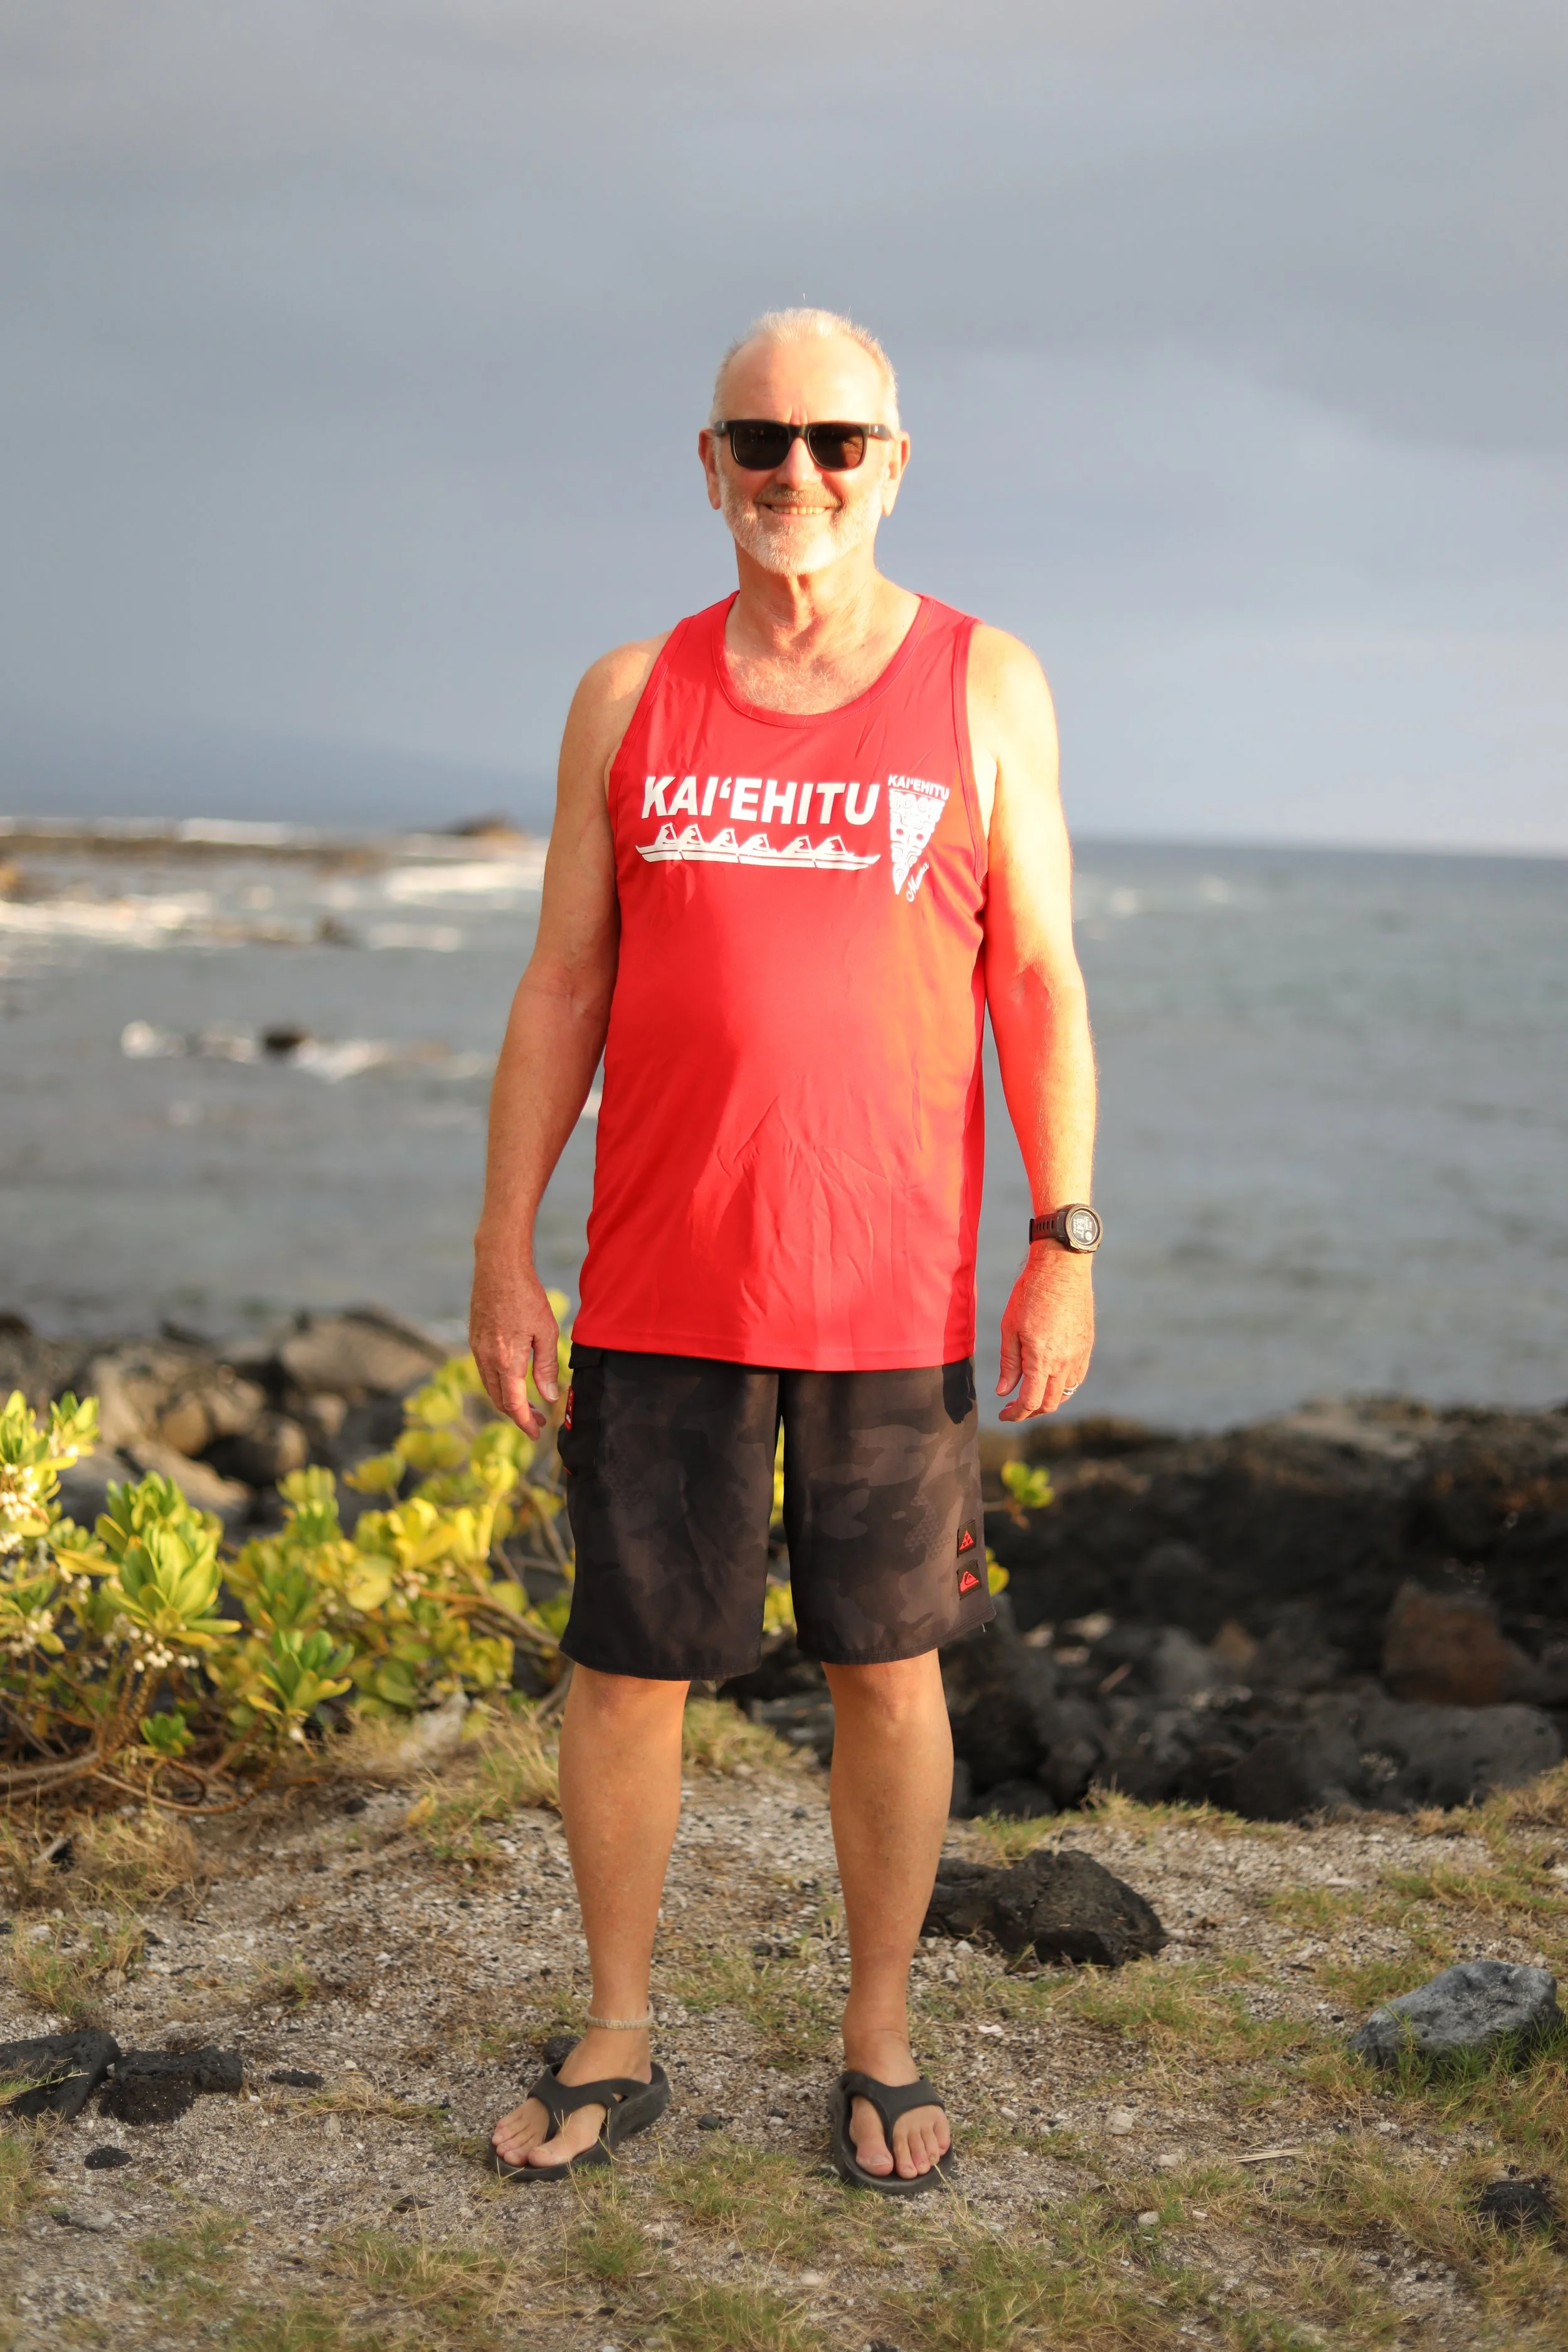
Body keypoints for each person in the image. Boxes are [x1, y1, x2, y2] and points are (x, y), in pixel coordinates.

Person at [470, 307, 1097, 2191]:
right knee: (625, 1666)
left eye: (835, 442)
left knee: (887, 1668)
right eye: (761, 442)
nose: (796, 476)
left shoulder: (986, 685)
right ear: (709, 462)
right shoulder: (625, 694)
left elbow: (1040, 980)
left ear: (891, 464)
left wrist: (1059, 1234)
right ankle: (618, 2025)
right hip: (663, 1283)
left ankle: (879, 2034)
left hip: (889, 1295)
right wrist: (507, 1247)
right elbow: (563, 982)